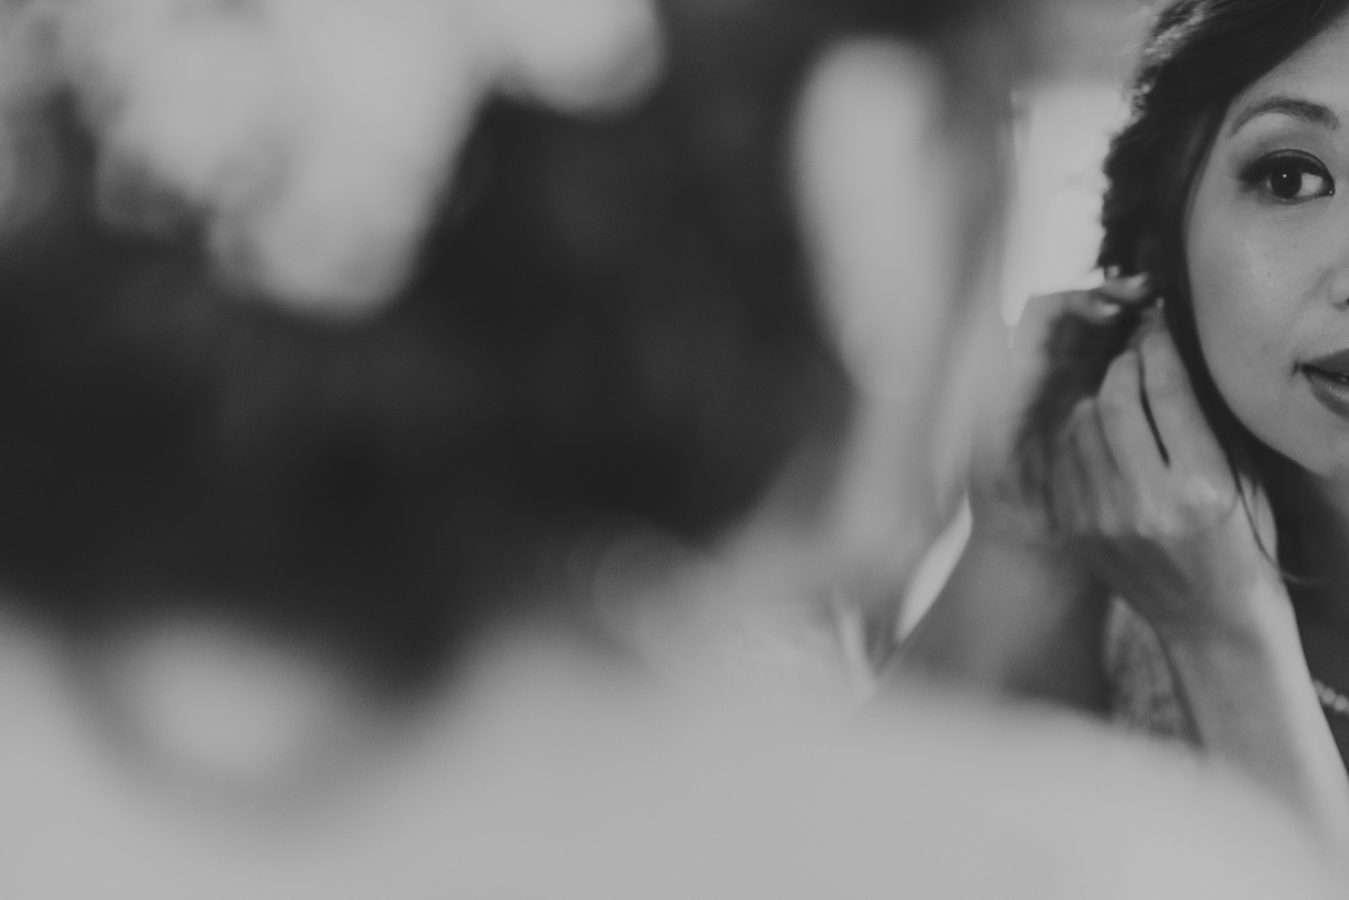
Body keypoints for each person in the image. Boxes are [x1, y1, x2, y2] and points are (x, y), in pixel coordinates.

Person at [898, 0, 1349, 848]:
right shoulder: (1124, 544)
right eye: (1290, 177)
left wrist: (1225, 643)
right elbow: (829, 857)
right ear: (1165, 240)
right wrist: (1016, 537)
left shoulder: (1190, 599)